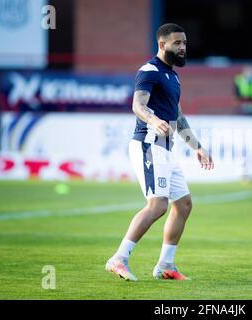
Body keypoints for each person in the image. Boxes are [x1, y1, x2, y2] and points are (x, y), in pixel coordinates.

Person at [106, 23, 214, 281]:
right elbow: (138, 105)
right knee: (157, 206)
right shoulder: (149, 70)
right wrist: (152, 120)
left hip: (166, 149)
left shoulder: (173, 76)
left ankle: (166, 265)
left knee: (184, 204)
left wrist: (197, 147)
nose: (183, 47)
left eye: (184, 43)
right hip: (148, 144)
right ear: (162, 44)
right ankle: (118, 258)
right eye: (177, 43)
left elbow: (177, 116)